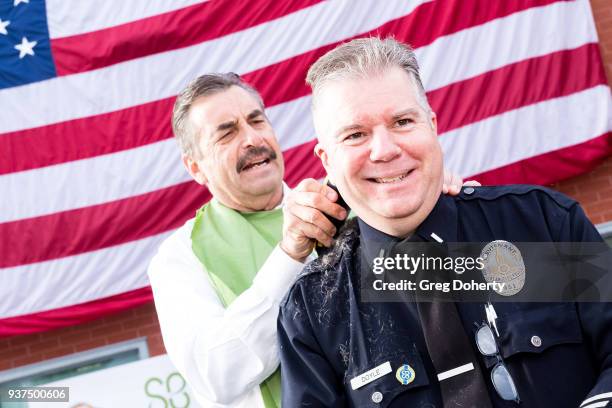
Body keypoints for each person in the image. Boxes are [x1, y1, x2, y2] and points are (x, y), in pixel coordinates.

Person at [278, 37, 612, 407]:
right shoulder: (313, 311)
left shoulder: (541, 226)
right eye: (355, 134)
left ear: (432, 126)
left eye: (403, 121)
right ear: (326, 160)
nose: (385, 149)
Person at [147, 73, 470, 407]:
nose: (252, 138)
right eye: (227, 133)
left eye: (257, 121)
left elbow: (452, 289)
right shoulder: (180, 257)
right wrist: (290, 254)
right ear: (195, 167)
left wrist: (424, 196)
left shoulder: (352, 201)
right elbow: (219, 376)